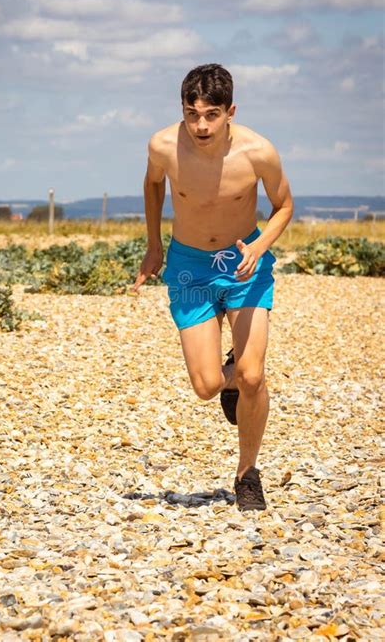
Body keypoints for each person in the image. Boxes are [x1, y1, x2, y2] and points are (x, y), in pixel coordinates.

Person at [133, 63, 294, 511]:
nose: (200, 125)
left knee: (253, 375)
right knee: (206, 386)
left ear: (230, 111)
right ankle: (229, 379)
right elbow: (152, 185)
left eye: (211, 114)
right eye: (192, 113)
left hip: (244, 263)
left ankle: (247, 474)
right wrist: (153, 246)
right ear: (182, 110)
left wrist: (259, 246)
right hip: (189, 267)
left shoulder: (258, 151)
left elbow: (284, 206)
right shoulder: (163, 145)